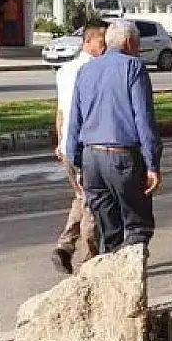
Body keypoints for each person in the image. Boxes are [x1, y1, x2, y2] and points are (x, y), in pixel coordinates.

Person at [65, 19, 163, 254]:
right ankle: (131, 285)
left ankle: (112, 282)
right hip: (122, 158)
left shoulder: (86, 70)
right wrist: (152, 164)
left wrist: (77, 165)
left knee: (109, 232)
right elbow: (143, 118)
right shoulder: (133, 67)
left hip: (91, 159)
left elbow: (74, 121)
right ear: (130, 42)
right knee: (138, 226)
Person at [51, 20, 108, 275]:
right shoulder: (95, 70)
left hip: (67, 147)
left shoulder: (64, 70)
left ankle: (64, 247)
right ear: (88, 40)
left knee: (83, 198)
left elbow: (61, 110)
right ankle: (90, 260)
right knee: (92, 204)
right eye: (102, 42)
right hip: (86, 147)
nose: (105, 47)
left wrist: (60, 141)